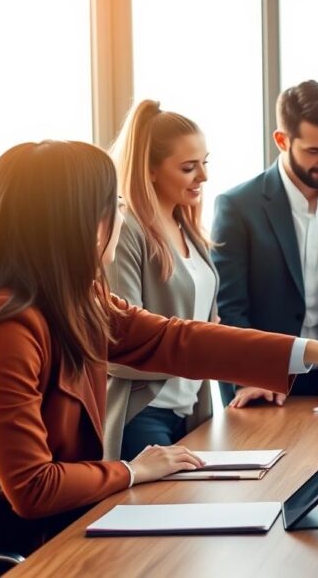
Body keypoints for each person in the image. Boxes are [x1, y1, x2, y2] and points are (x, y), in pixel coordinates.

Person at [0, 141, 318, 571]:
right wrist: (134, 469)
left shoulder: (74, 299)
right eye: (113, 205)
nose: (121, 216)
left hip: (49, 532)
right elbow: (33, 487)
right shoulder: (1, 327)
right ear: (77, 222)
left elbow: (178, 340)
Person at [212, 80, 318, 407]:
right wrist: (254, 374)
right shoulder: (236, 206)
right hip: (262, 380)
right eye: (315, 151)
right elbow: (231, 309)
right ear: (281, 140)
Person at [104, 100, 217, 461]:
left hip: (191, 410)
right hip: (143, 414)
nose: (203, 177)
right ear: (150, 170)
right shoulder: (129, 231)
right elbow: (120, 338)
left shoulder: (190, 229)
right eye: (188, 167)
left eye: (205, 163)